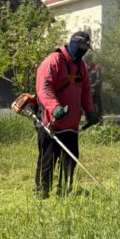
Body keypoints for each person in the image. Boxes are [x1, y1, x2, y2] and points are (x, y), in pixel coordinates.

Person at [34, 30, 100, 197]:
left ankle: (63, 191)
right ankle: (42, 192)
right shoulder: (54, 60)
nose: (83, 52)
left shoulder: (81, 67)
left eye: (86, 49)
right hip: (51, 122)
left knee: (71, 159)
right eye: (81, 48)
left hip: (71, 124)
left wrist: (90, 111)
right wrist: (55, 107)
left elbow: (85, 91)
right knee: (48, 159)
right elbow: (44, 87)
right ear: (74, 44)